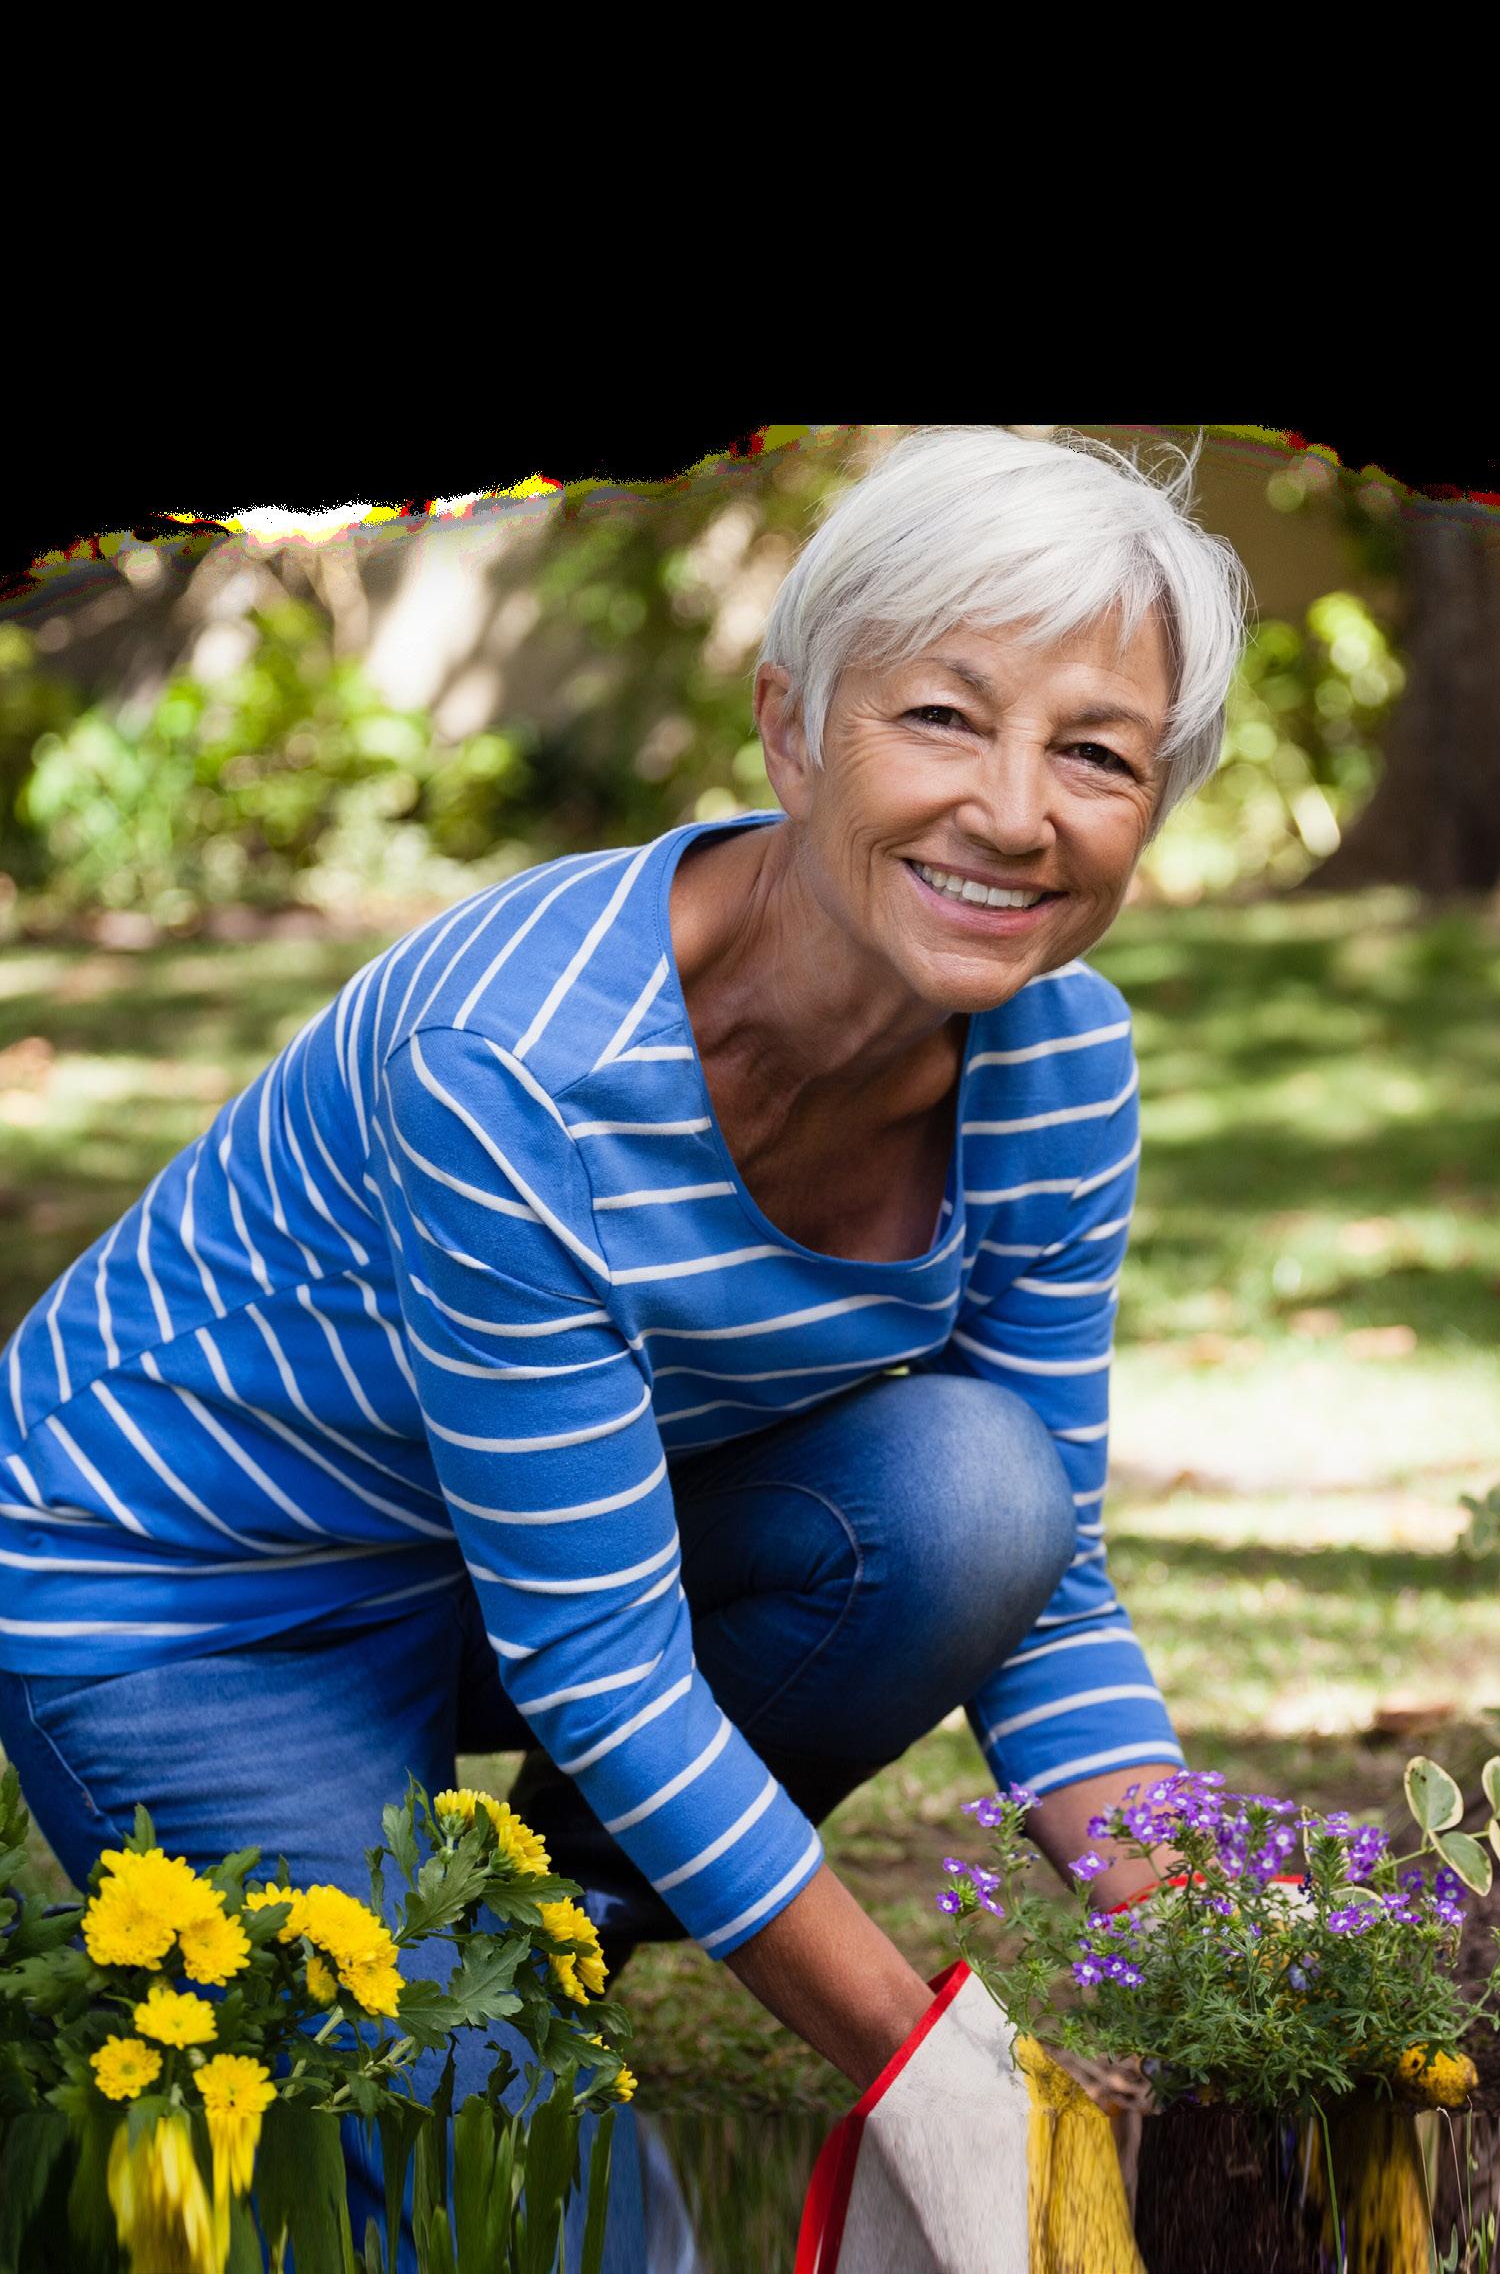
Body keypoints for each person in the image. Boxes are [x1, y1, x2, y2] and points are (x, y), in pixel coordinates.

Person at [0, 424, 1254, 2268]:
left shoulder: (1060, 1064)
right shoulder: (517, 1066)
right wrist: (944, 2081)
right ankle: (457, 1998)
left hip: (525, 1561)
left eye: (1096, 753)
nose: (1013, 812)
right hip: (199, 1595)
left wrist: (1241, 1955)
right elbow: (601, 1666)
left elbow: (1042, 1577)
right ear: (791, 731)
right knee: (579, 2228)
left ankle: (540, 1949)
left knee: (977, 1493)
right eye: (942, 718)